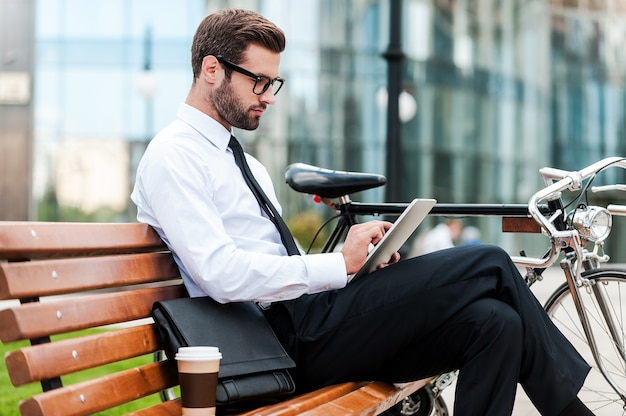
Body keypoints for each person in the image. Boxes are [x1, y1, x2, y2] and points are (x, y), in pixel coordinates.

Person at [131, 9, 594, 416]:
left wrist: (356, 269)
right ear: (212, 70)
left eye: (274, 83)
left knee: (497, 324)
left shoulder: (243, 162)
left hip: (305, 323)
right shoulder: (174, 156)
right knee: (489, 260)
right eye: (259, 81)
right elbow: (220, 274)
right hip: (273, 342)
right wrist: (340, 265)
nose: (269, 96)